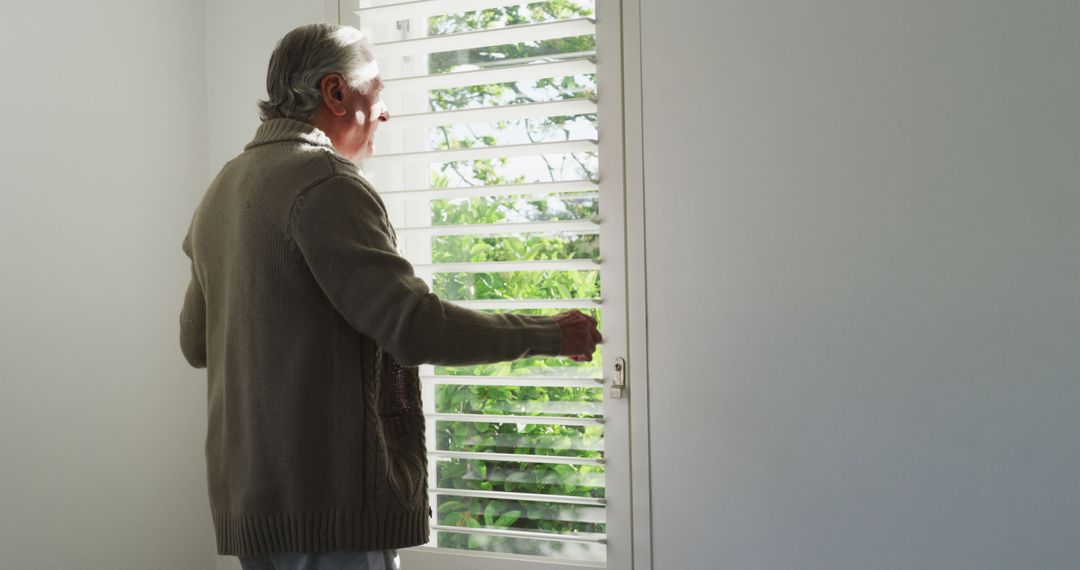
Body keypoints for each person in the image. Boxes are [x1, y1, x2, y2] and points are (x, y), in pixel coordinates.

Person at [179, 23, 602, 570]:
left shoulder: (221, 190)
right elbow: (415, 326)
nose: (385, 111)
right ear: (335, 93)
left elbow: (196, 344)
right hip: (331, 513)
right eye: (377, 90)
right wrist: (548, 333)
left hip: (251, 509)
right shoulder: (325, 182)